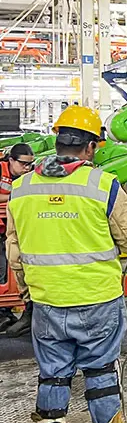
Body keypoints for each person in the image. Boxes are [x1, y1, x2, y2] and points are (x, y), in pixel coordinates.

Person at [6, 105, 127, 423]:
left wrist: (29, 292)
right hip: (98, 301)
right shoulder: (103, 185)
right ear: (90, 147)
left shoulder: (23, 188)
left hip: (47, 302)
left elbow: (14, 252)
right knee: (100, 373)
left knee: (53, 376)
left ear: (58, 142)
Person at [0, 143, 34, 334]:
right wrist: (14, 194)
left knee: (11, 270)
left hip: (13, 230)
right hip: (3, 230)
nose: (27, 168)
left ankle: (8, 312)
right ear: (11, 160)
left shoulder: (28, 177)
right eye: (23, 164)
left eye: (30, 164)